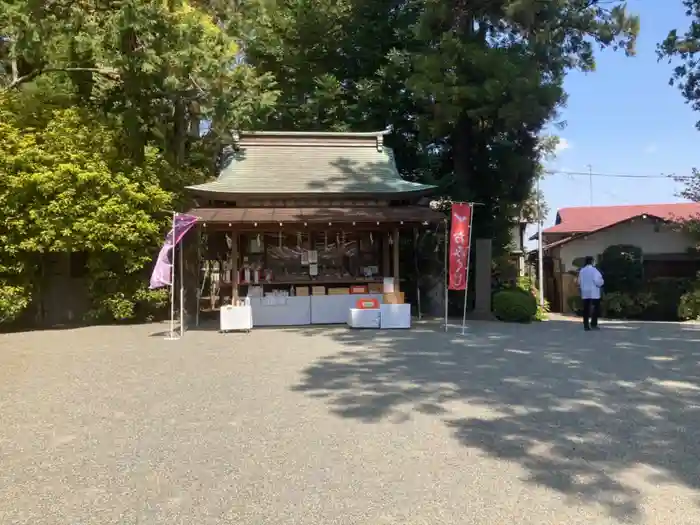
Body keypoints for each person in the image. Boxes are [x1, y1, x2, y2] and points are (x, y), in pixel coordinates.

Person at [578, 256, 604, 331]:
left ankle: (586, 325)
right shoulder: (594, 270)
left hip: (585, 292)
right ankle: (593, 324)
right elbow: (598, 281)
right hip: (594, 293)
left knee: (586, 309)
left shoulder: (582, 271)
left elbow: (579, 281)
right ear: (592, 262)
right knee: (595, 309)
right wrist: (601, 283)